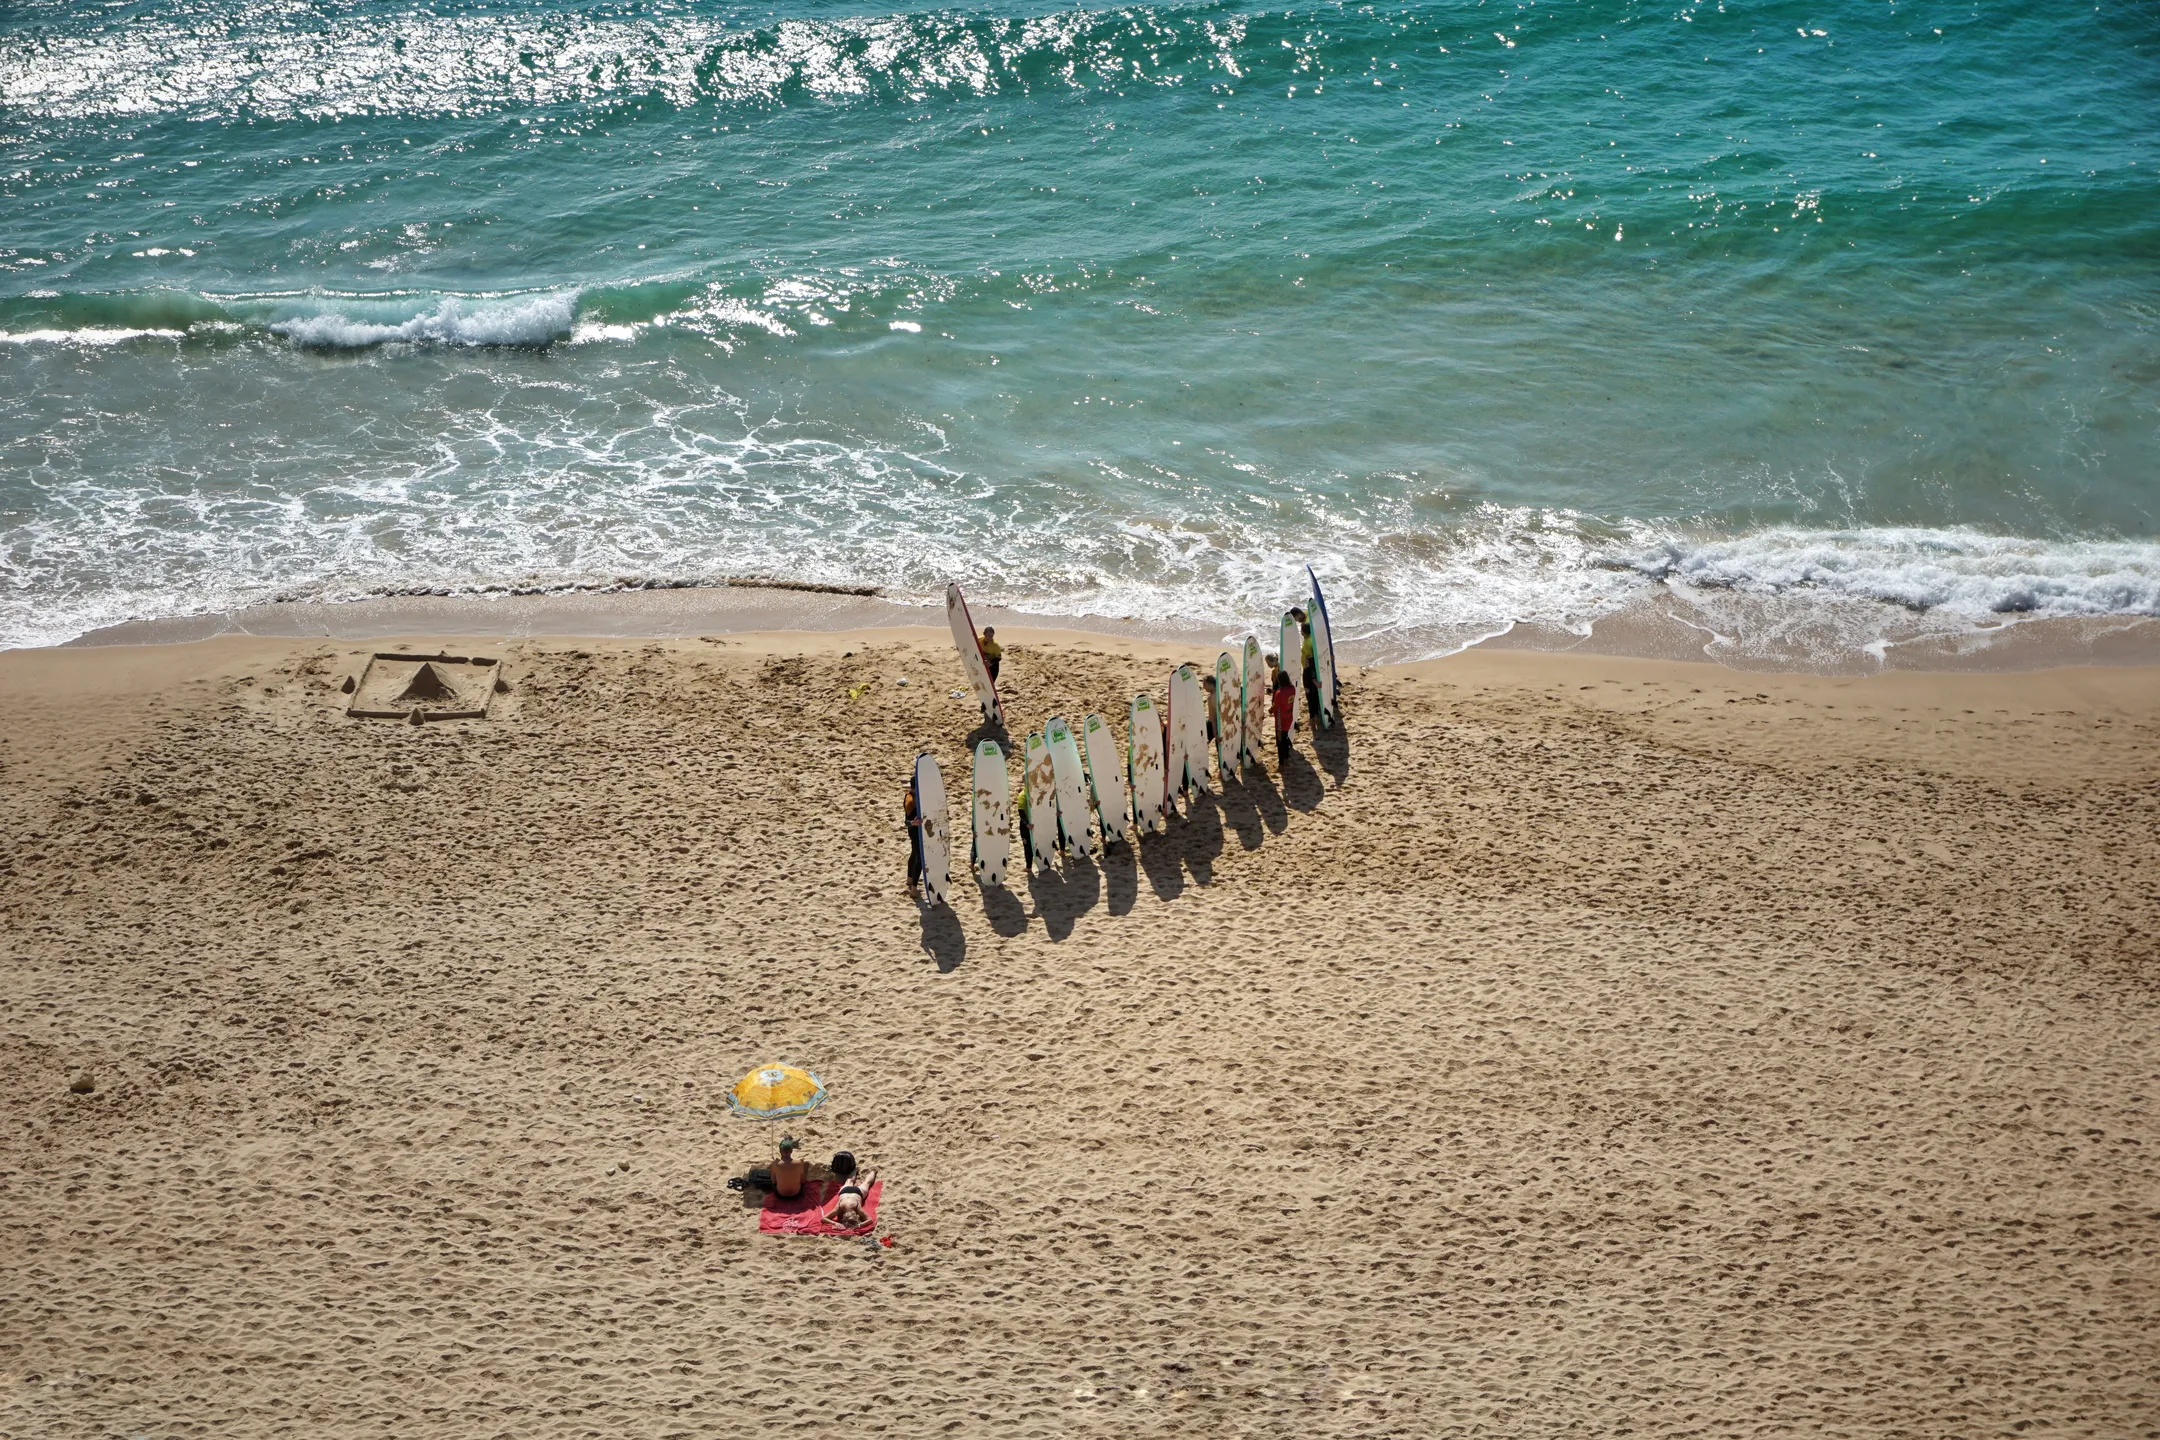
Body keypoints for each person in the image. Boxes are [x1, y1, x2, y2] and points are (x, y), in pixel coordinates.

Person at [1271, 662, 1296, 755]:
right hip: (1289, 716)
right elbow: (1285, 699)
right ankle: (1286, 755)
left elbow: (1275, 706)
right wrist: (1273, 692)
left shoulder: (1279, 693)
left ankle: (1282, 761)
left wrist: (1270, 710)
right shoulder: (1292, 689)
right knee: (1285, 735)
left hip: (1280, 720)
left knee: (1280, 740)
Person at [903, 788, 923, 898]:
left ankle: (909, 879)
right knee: (919, 858)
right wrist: (913, 823)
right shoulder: (909, 800)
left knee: (914, 853)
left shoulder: (921, 796)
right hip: (914, 832)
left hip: (921, 831)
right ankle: (914, 889)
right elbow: (906, 822)